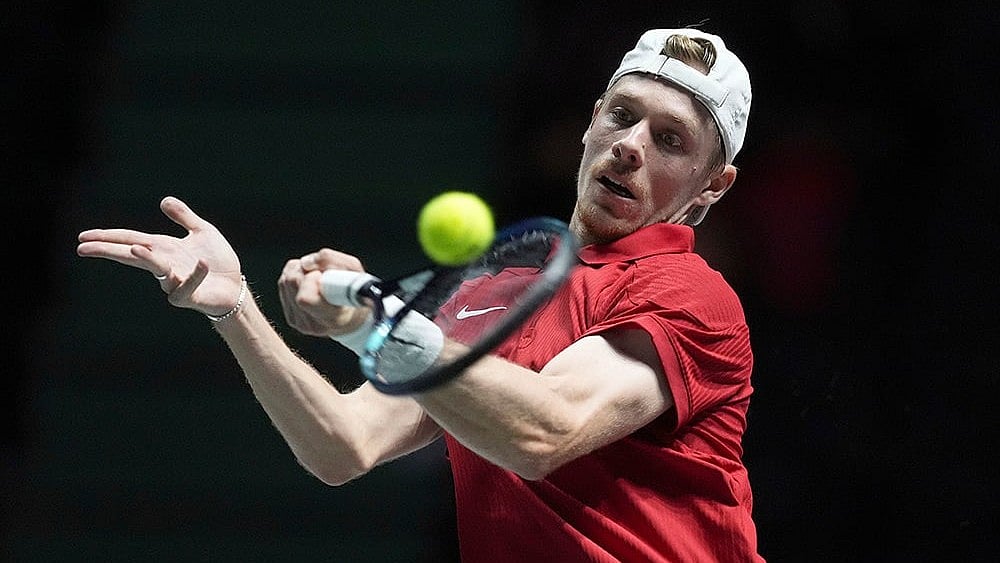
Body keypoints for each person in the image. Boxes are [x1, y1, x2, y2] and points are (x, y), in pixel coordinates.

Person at [78, 27, 762, 562]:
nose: (631, 145)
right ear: (591, 121)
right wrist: (235, 308)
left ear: (711, 186)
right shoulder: (491, 295)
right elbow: (344, 445)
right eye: (623, 115)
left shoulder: (691, 298)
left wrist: (375, 324)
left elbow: (547, 429)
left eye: (670, 139)